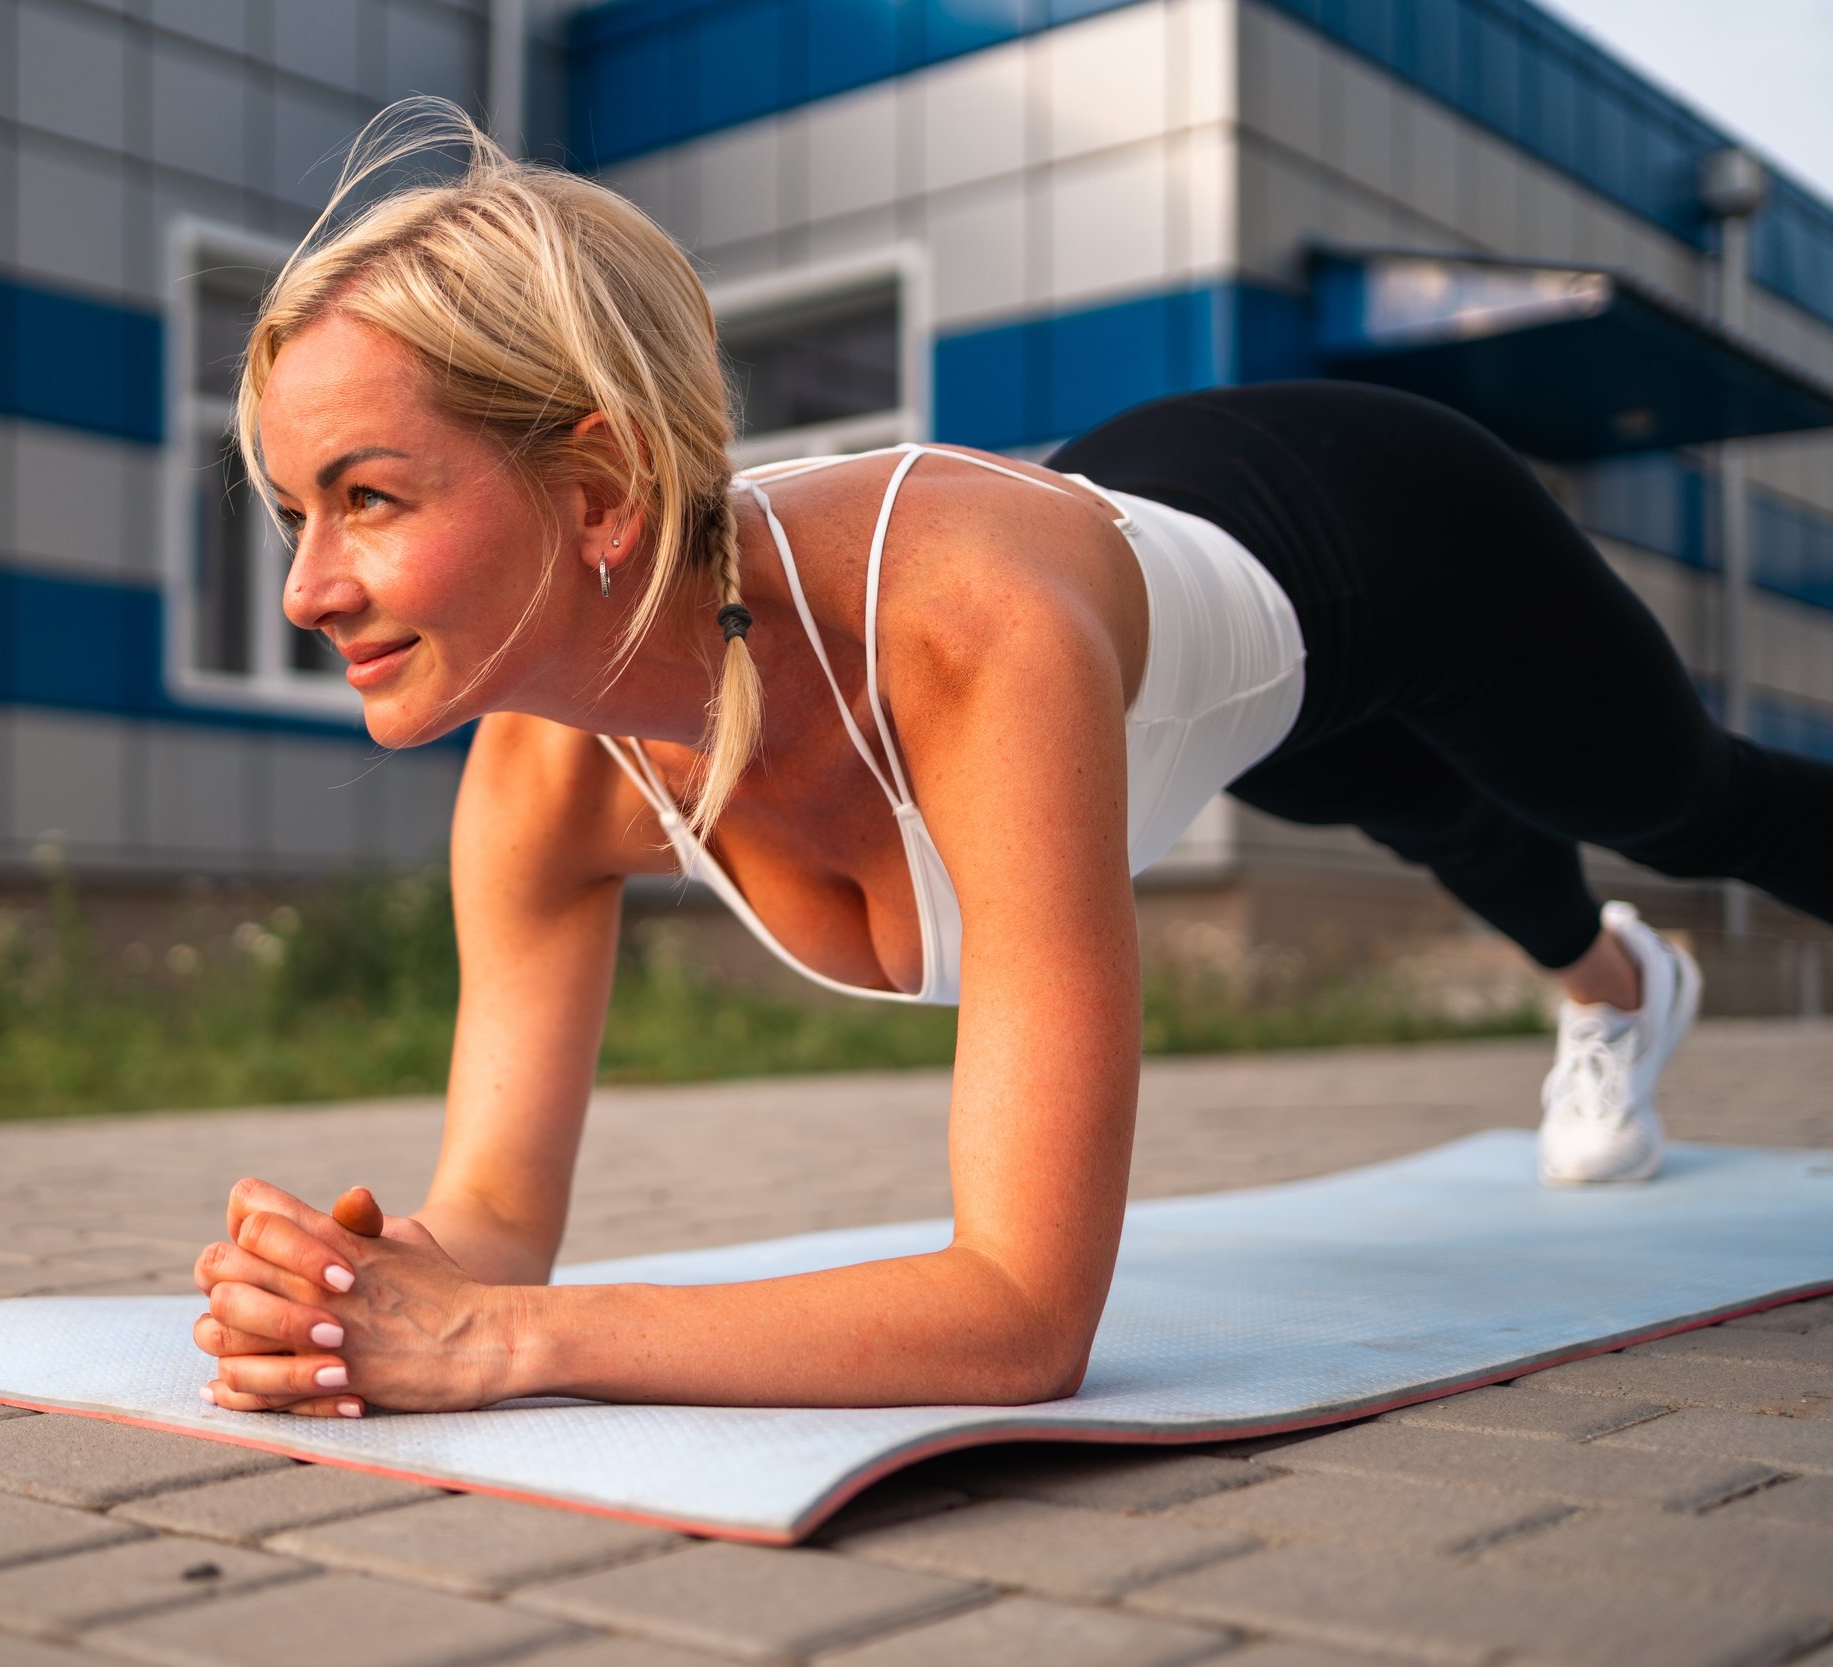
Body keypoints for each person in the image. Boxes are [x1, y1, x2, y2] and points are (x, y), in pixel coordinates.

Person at [187, 104, 1833, 1419]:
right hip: (1181, 643)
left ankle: (1631, 939)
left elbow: (1020, 1318)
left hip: (1378, 530)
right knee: (1401, 801)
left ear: (603, 488)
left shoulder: (972, 641)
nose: (304, 587)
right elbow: (491, 1224)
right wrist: (370, 1290)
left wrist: (491, 1348)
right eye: (292, 511)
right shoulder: (545, 787)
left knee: (1665, 800)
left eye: (369, 497)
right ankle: (1611, 986)